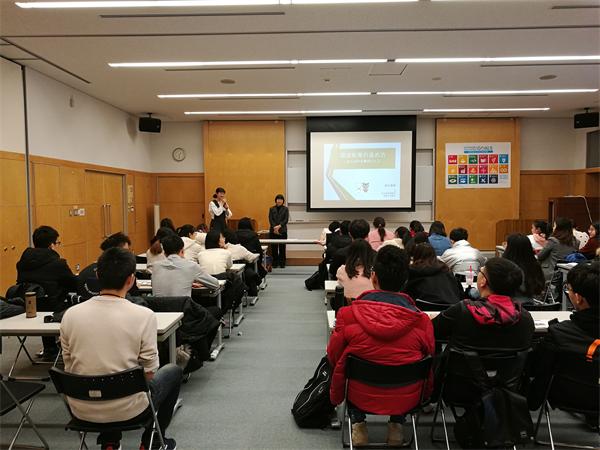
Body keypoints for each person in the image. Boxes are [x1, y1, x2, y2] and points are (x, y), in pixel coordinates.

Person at [60, 247, 181, 450]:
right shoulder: (144, 315)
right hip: (130, 410)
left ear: (98, 276)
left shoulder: (70, 315)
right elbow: (150, 373)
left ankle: (109, 442)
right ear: (131, 280)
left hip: (81, 408)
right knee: (173, 371)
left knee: (103, 373)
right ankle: (151, 442)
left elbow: (69, 366)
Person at [327, 246, 435, 447]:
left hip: (358, 393)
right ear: (405, 281)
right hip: (407, 395)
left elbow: (333, 356)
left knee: (349, 364)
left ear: (373, 277)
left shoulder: (347, 315)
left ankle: (358, 424)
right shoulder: (422, 321)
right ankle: (396, 426)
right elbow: (430, 356)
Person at [528, 262, 599, 429]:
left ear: (578, 298)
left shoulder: (559, 334)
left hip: (568, 396)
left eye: (569, 290)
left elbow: (535, 369)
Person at [432, 257, 534, 353]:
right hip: (509, 367)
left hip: (460, 366)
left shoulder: (462, 310)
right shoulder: (525, 318)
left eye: (480, 271)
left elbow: (431, 331)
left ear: (483, 281)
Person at [16, 225, 77, 360]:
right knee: (77, 302)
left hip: (28, 308)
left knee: (45, 299)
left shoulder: (22, 264)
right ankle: (69, 346)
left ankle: (50, 348)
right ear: (51, 245)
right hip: (53, 308)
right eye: (57, 243)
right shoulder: (58, 264)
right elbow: (73, 284)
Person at [77, 232, 141, 301]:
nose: (129, 255)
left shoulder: (84, 273)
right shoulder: (124, 272)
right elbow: (134, 296)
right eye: (126, 251)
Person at [152, 234, 220, 298]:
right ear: (182, 251)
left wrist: (188, 281)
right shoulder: (191, 266)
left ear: (164, 253)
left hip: (158, 306)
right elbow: (215, 284)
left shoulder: (155, 266)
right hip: (182, 305)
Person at [502, 233, 546, 302]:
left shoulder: (506, 267)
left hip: (509, 304)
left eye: (506, 244)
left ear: (510, 249)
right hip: (531, 303)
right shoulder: (535, 265)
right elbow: (539, 288)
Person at [268, 194, 290, 268]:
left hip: (282, 231)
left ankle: (282, 263)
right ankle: (275, 262)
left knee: (282, 247)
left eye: (281, 199)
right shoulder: (271, 209)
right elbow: (270, 219)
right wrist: (275, 227)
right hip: (273, 231)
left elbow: (286, 220)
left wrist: (279, 226)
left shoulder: (285, 209)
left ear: (283, 201)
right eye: (278, 199)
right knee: (274, 248)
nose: (279, 201)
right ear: (276, 200)